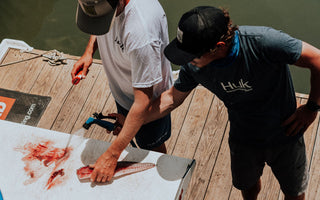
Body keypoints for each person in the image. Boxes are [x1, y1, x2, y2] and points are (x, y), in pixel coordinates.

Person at [114, 6, 320, 200]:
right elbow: (170, 98)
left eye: (192, 55)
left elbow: (317, 60)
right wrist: (134, 121)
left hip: (286, 133)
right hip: (243, 137)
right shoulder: (193, 68)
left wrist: (311, 108)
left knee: (294, 192)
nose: (186, 61)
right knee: (247, 186)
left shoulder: (265, 42)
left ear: (218, 47)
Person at [73, 0, 173, 183]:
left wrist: (112, 155)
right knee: (128, 130)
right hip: (124, 89)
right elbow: (99, 23)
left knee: (152, 147)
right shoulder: (104, 5)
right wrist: (88, 52)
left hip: (149, 103)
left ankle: (157, 180)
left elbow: (142, 103)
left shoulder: (142, 33)